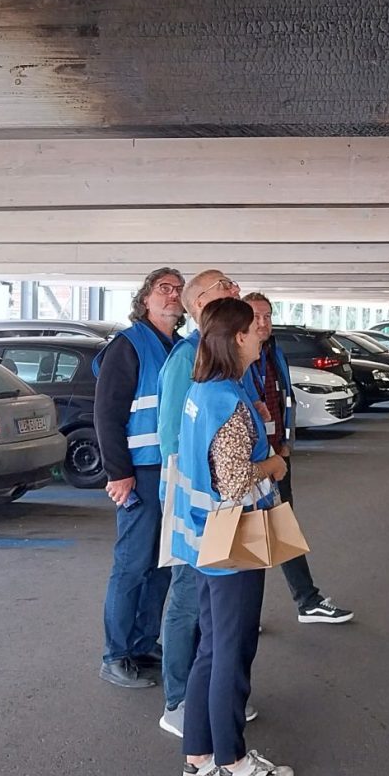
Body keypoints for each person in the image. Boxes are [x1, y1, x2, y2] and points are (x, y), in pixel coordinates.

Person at [174, 297, 295, 776]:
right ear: (238, 337)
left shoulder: (205, 391)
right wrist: (275, 465)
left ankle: (199, 758)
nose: (262, 332)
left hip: (205, 538)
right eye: (254, 327)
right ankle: (234, 764)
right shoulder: (225, 399)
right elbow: (233, 479)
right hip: (234, 539)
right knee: (231, 650)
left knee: (211, 647)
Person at [157, 270, 247, 735]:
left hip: (214, 506)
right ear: (198, 304)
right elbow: (175, 437)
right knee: (189, 601)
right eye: (224, 287)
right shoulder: (186, 358)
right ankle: (179, 701)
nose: (235, 290)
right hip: (197, 509)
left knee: (210, 615)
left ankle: (210, 697)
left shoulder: (217, 354)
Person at [95, 267, 185, 689]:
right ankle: (115, 656)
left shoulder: (179, 347)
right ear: (145, 298)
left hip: (171, 471)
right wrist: (119, 473)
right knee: (132, 565)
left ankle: (143, 643)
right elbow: (107, 415)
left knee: (161, 565)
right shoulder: (127, 345)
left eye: (178, 290)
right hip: (140, 472)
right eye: (164, 289)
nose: (173, 295)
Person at [243, 292, 354, 626]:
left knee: (281, 527)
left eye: (267, 315)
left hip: (277, 457)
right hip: (251, 462)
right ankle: (242, 613)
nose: (263, 322)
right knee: (248, 533)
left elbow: (284, 400)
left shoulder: (273, 351)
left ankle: (306, 600)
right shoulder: (237, 356)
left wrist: (286, 444)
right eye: (255, 316)